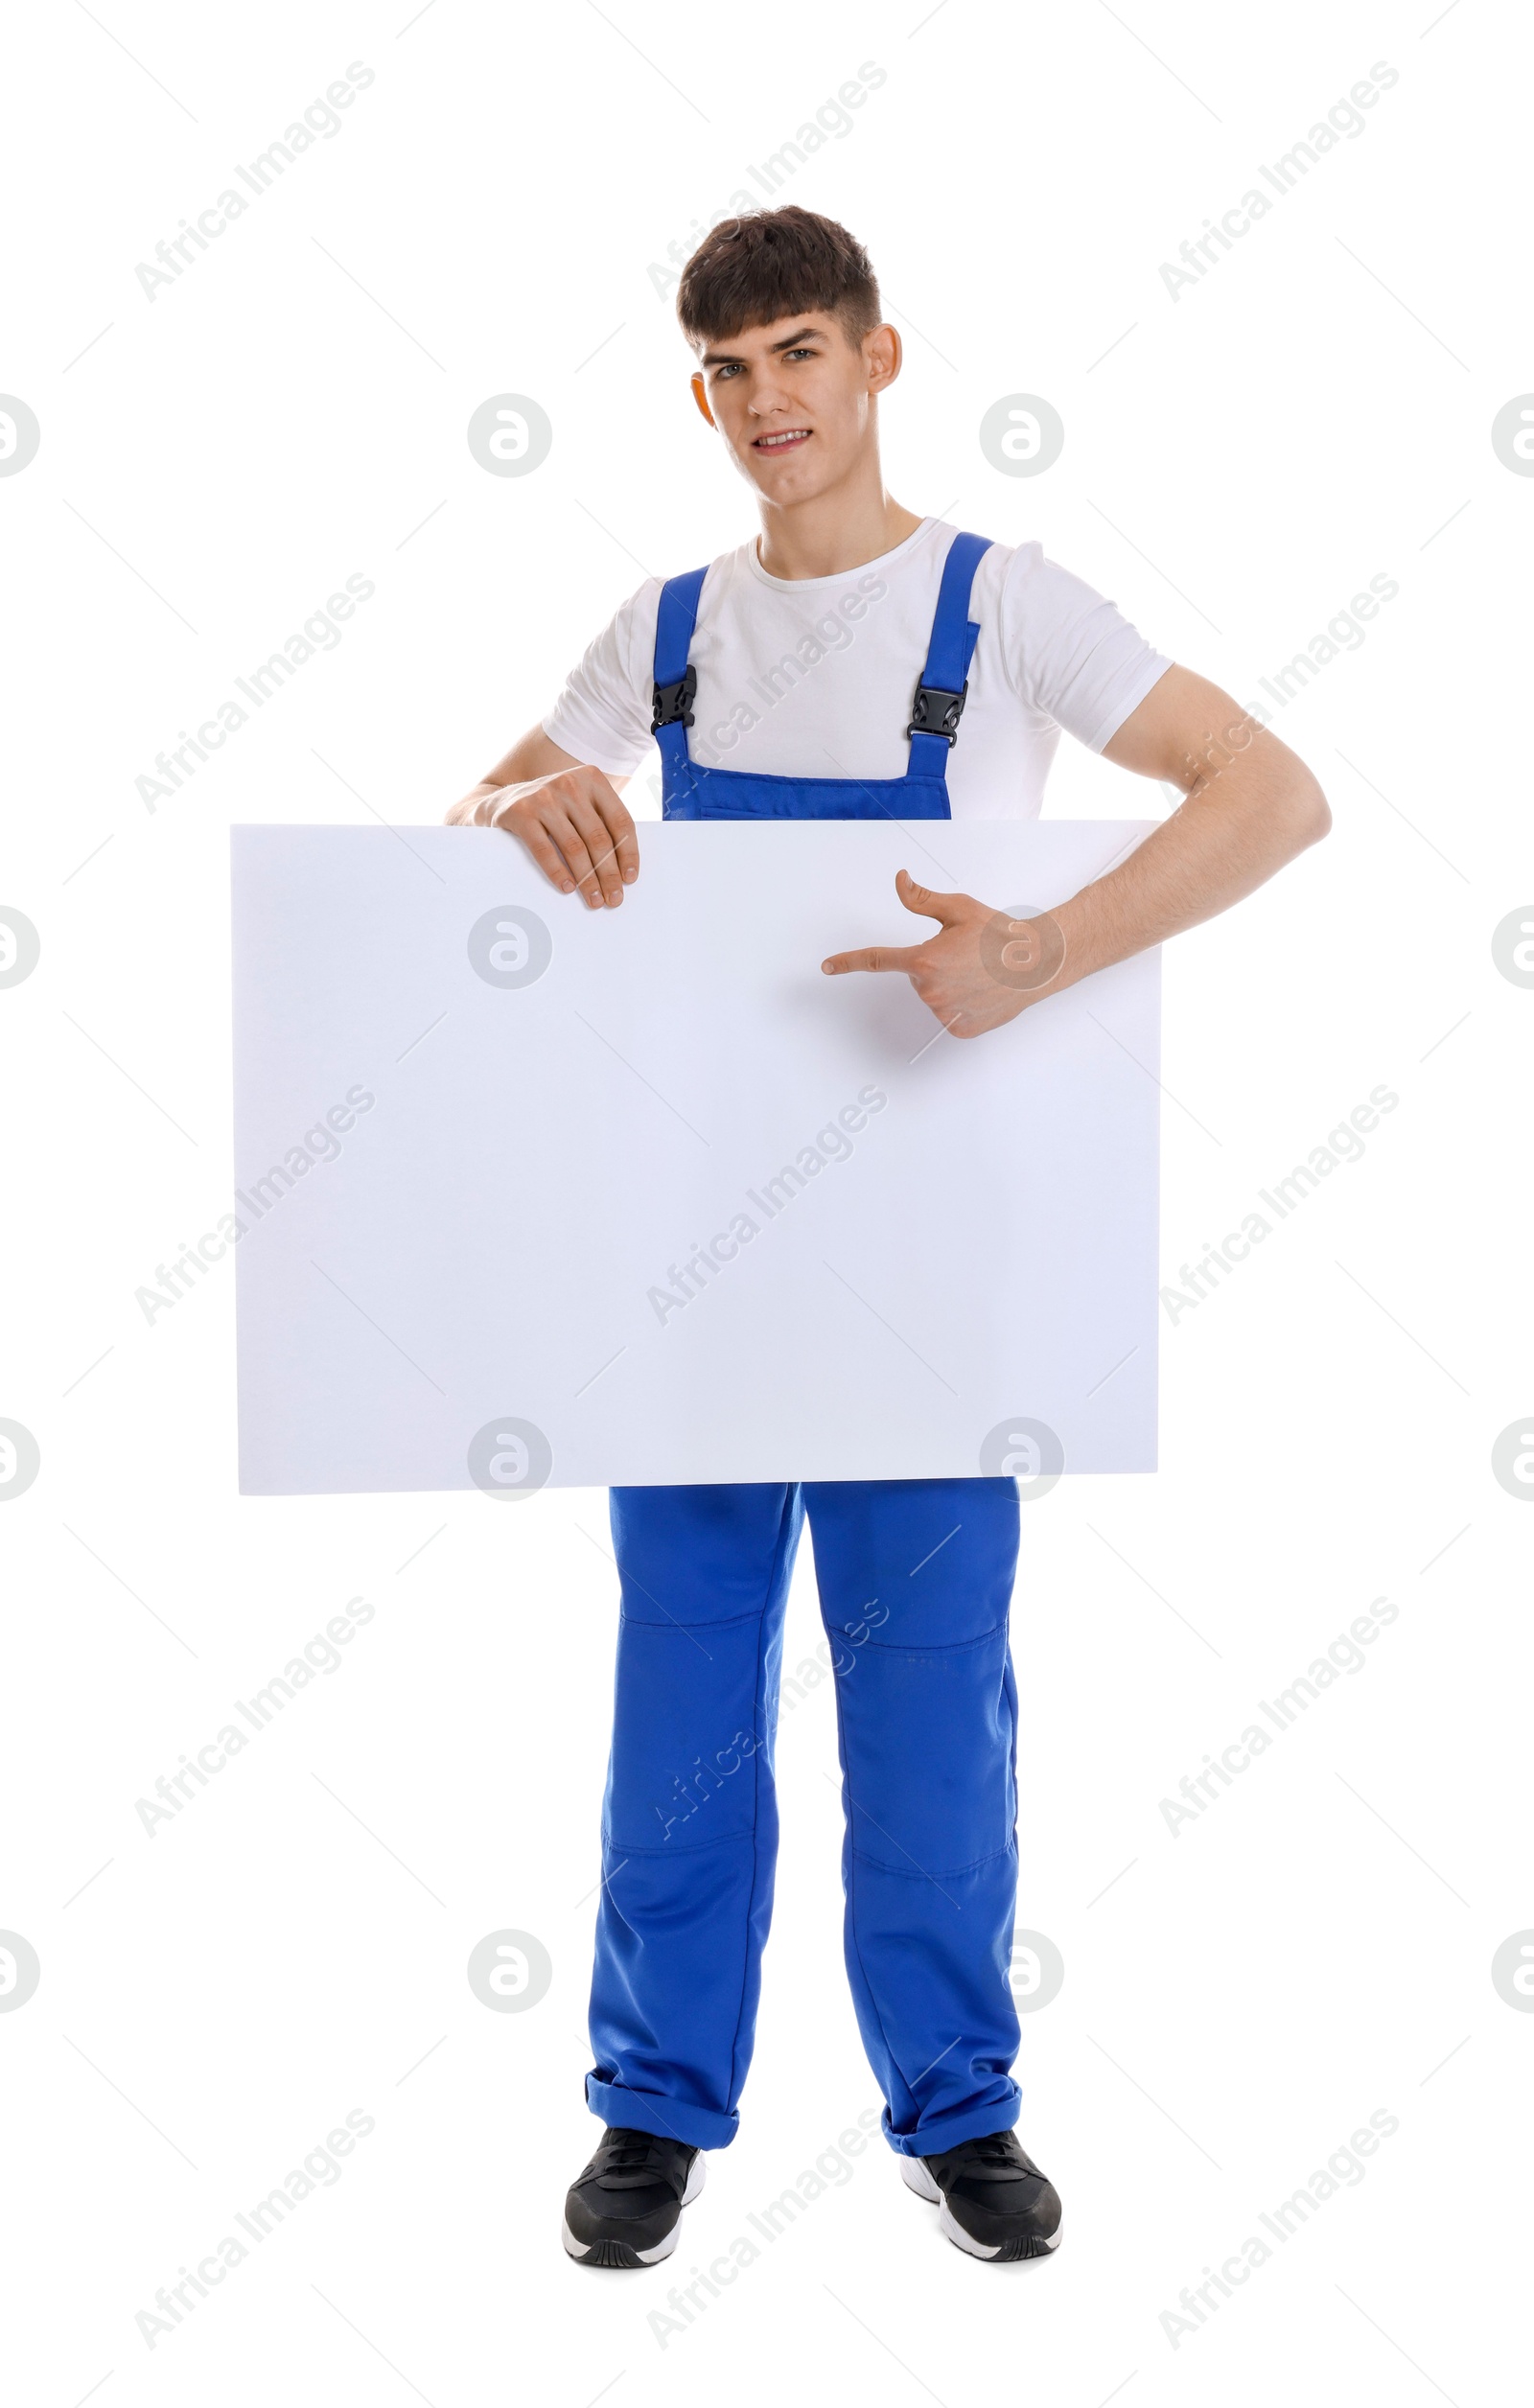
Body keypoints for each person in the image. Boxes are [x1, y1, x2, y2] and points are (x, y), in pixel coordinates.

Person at [446, 205, 1329, 2267]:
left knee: (927, 1695)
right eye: (729, 370)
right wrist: (511, 812)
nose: (769, 401)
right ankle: (651, 2105)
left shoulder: (1002, 605)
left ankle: (960, 2104)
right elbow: (470, 824)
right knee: (678, 1692)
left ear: (878, 360)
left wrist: (1044, 942)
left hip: (938, 1256)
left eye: (800, 354)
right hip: (686, 1261)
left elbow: (1267, 792)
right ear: (698, 395)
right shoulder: (656, 626)